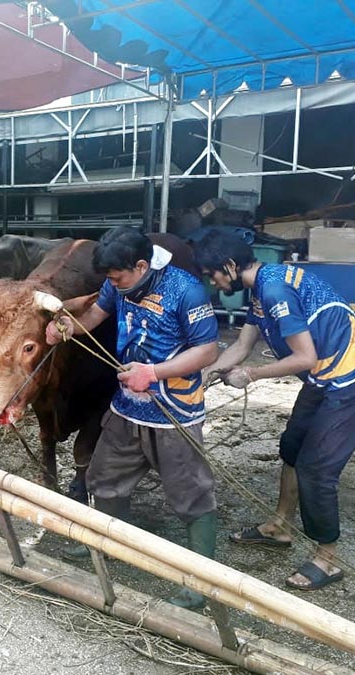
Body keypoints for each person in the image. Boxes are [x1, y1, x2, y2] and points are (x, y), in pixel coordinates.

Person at [196, 230, 355, 591]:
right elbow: (243, 344)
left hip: (351, 376)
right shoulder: (260, 289)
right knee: (293, 448)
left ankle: (327, 558)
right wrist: (205, 375)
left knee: (317, 468)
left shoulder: (276, 290)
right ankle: (279, 527)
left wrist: (249, 375)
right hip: (323, 374)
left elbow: (304, 357)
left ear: (231, 266)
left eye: (213, 274)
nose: (214, 283)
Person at [46, 226, 220, 609]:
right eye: (109, 278)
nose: (113, 284)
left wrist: (153, 373)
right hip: (126, 405)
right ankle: (111, 542)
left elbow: (208, 351)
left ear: (141, 265)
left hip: (172, 409)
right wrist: (66, 330)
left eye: (118, 277)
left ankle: (202, 579)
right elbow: (95, 312)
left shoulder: (186, 291)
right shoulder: (118, 283)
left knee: (192, 493)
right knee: (105, 477)